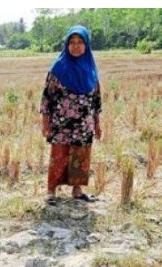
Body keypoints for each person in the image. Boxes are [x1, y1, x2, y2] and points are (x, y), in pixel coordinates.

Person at [40, 25, 103, 206]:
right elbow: (47, 98)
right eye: (72, 42)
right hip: (61, 123)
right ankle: (51, 191)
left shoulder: (91, 69)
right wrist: (45, 123)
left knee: (81, 157)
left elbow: (96, 100)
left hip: (84, 124)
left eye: (80, 42)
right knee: (59, 156)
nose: (76, 46)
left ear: (87, 45)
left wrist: (97, 124)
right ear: (67, 45)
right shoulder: (58, 68)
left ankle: (77, 190)